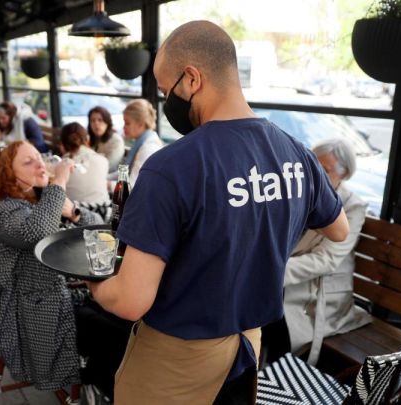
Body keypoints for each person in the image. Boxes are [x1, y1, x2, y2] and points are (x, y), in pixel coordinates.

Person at [86, 21, 349, 404]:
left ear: (191, 79)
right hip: (249, 344)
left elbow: (130, 300)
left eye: (165, 90)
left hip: (177, 357)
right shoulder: (296, 153)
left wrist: (94, 283)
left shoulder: (171, 167)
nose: (165, 101)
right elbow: (338, 229)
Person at [0, 141, 102, 390]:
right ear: (9, 175)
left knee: (122, 319)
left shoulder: (43, 201)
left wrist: (74, 212)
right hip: (35, 311)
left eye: (39, 158)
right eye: (28, 161)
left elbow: (99, 227)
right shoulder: (3, 212)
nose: (40, 164)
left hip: (63, 292)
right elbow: (38, 231)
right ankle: (109, 384)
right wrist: (59, 181)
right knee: (116, 333)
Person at [277, 138, 372, 365]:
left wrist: (272, 271)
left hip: (319, 291)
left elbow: (326, 259)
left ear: (345, 174)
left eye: (326, 170)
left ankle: (269, 373)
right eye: (313, 167)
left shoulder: (352, 207)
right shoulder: (300, 191)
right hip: (290, 278)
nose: (316, 175)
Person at [58, 122, 109, 205]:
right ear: (87, 139)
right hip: (104, 212)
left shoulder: (61, 167)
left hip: (75, 213)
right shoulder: (103, 160)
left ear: (62, 144)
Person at [120, 99, 162, 187]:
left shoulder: (148, 148)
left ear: (140, 124)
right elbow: (123, 175)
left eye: (127, 123)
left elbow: (132, 185)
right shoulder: (141, 141)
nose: (123, 127)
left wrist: (106, 184)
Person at [88, 106, 124, 173]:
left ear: (107, 122)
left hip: (110, 178)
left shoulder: (116, 141)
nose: (96, 123)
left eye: (100, 120)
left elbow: (110, 166)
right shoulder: (89, 138)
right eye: (92, 120)